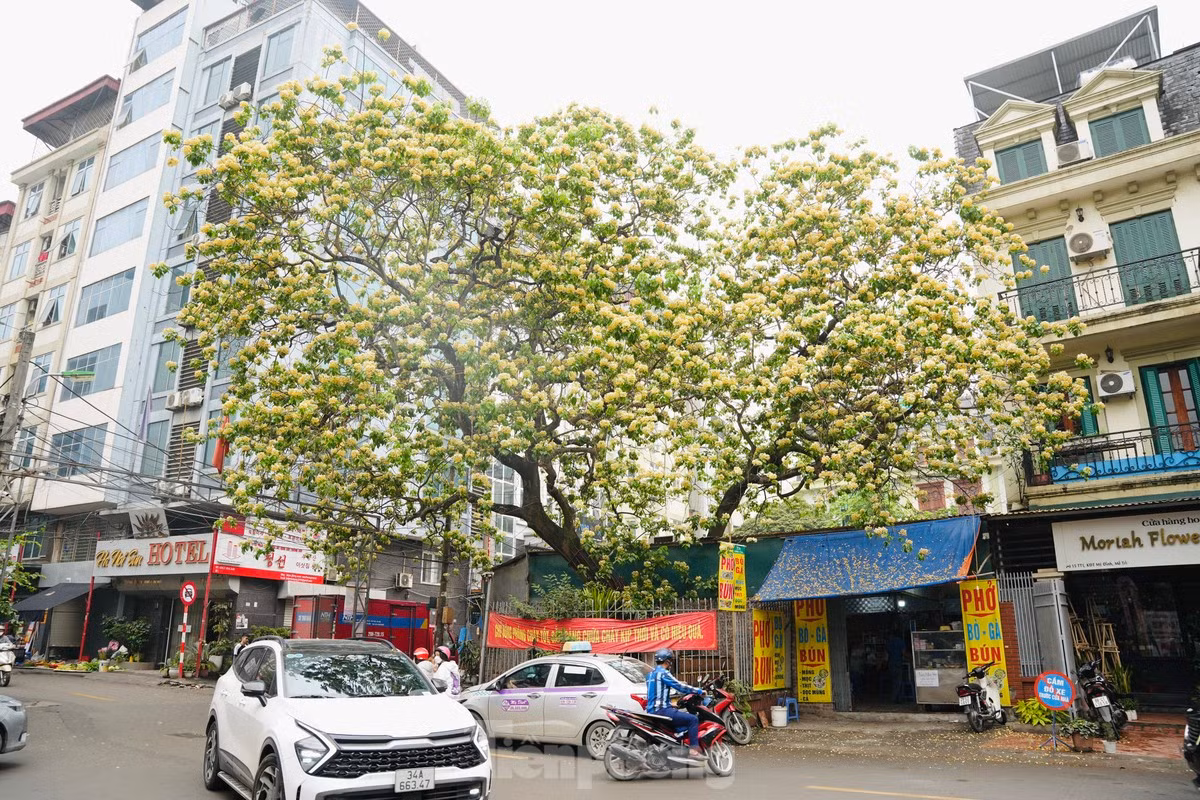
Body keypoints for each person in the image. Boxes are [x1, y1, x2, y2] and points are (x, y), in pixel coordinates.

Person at [646, 648, 704, 759]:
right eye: (670, 660)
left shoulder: (650, 675)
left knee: (678, 718)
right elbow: (680, 686)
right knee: (693, 719)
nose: (670, 663)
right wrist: (700, 691)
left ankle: (677, 746)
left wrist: (669, 703)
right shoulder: (663, 673)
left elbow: (655, 694)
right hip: (662, 711)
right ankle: (693, 750)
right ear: (667, 661)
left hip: (651, 711)